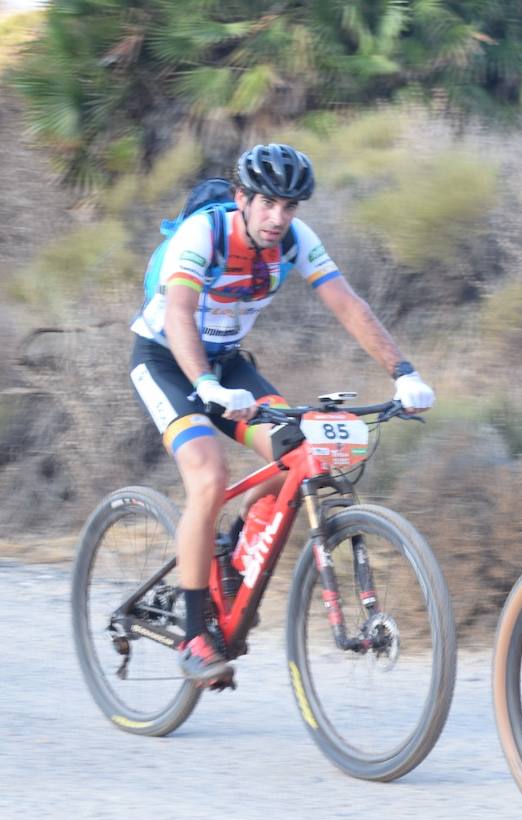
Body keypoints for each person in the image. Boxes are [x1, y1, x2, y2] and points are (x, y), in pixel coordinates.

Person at [129, 143, 435, 685]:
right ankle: (196, 631)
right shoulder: (204, 235)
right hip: (167, 363)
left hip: (226, 365)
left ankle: (229, 552)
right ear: (242, 198)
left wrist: (403, 371)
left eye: (290, 207)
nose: (278, 218)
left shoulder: (294, 240)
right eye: (268, 203)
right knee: (208, 473)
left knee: (301, 451)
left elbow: (347, 304)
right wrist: (203, 385)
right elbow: (178, 314)